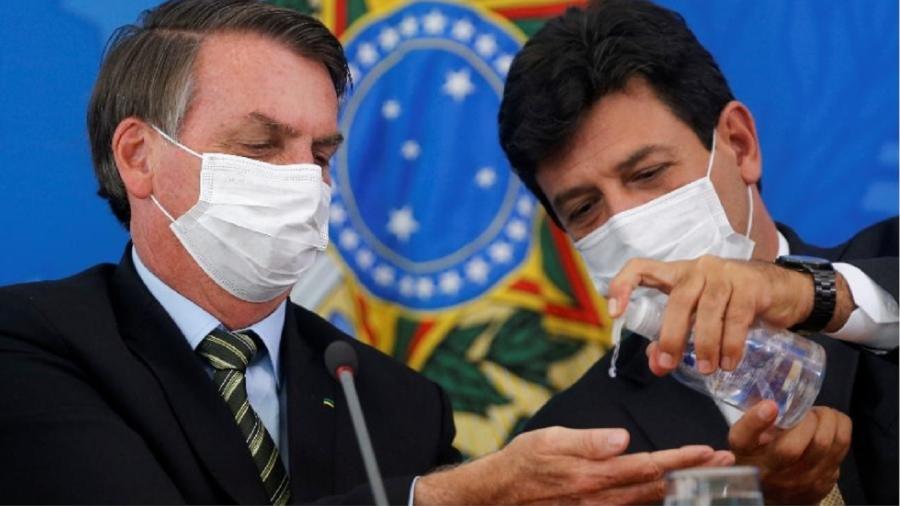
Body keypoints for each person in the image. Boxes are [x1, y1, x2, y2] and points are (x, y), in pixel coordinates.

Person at [0, 1, 733, 504]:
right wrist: (441, 498)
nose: (302, 180)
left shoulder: (392, 402)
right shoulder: (31, 345)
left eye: (320, 152)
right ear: (139, 158)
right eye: (261, 145)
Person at [498, 1, 899, 504]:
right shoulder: (577, 446)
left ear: (739, 144)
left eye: (647, 174)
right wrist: (747, 496)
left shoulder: (886, 261)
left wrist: (812, 294)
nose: (628, 228)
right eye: (584, 208)